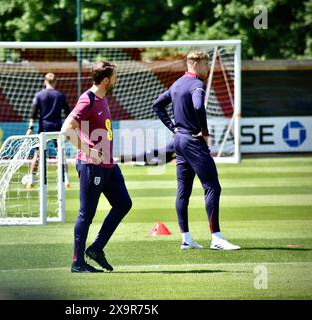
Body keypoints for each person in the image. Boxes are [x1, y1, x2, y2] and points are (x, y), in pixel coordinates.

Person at [152, 50, 240, 250]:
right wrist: (205, 131)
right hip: (193, 140)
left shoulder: (176, 83)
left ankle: (186, 239)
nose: (208, 68)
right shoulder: (197, 84)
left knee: (183, 191)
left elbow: (156, 105)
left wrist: (173, 127)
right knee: (212, 187)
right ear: (197, 63)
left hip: (179, 140)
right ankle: (216, 238)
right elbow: (199, 107)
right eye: (206, 64)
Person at [61, 61, 133, 273]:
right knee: (86, 214)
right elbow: (67, 129)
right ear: (105, 80)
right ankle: (77, 262)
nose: (116, 80)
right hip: (92, 165)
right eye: (115, 77)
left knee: (123, 204)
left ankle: (96, 248)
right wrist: (90, 151)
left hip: (109, 165)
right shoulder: (88, 99)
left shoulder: (103, 98)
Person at [26, 73, 70, 188]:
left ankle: (31, 179)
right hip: (58, 127)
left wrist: (30, 127)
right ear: (55, 82)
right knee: (61, 152)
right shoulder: (60, 95)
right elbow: (68, 113)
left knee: (38, 154)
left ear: (45, 81)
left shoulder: (39, 95)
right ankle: (66, 179)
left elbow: (33, 113)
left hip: (44, 128)